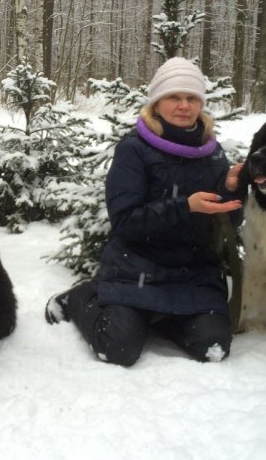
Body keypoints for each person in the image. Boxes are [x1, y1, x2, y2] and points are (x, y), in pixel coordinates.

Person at [45, 57, 243, 366]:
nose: (184, 106)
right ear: (157, 102)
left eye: (192, 98)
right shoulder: (134, 149)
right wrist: (185, 207)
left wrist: (231, 190)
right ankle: (78, 298)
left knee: (212, 347)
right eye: (174, 97)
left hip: (192, 271)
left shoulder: (213, 152)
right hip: (136, 266)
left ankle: (158, 315)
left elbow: (227, 223)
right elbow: (125, 222)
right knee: (118, 348)